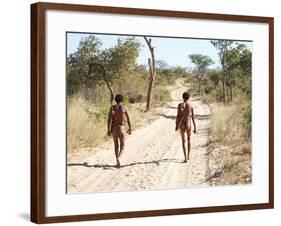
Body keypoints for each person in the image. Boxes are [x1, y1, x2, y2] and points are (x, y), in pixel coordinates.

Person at [107, 94, 132, 168]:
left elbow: (109, 119)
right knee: (122, 146)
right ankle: (119, 158)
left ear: (115, 100)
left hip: (114, 129)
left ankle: (117, 162)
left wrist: (108, 129)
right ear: (122, 100)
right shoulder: (124, 108)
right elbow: (128, 119)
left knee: (116, 145)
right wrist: (130, 128)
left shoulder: (112, 108)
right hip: (121, 128)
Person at [175, 92, 196, 162]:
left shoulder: (180, 105)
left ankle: (185, 158)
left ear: (183, 97)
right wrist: (195, 128)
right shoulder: (191, 106)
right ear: (188, 98)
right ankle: (188, 155)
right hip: (189, 125)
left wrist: (176, 125)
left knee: (183, 141)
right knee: (189, 140)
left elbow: (178, 116)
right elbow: (193, 118)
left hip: (182, 125)